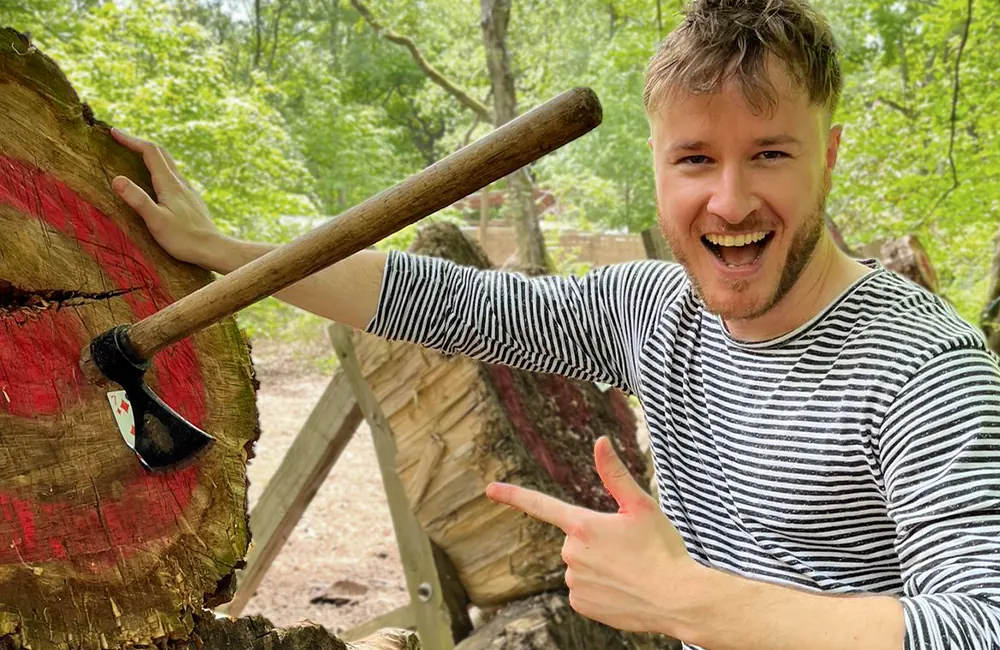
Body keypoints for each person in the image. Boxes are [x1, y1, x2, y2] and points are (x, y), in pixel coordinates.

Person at [108, 0, 1000, 647]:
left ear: (830, 155)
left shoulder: (928, 369)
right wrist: (224, 249)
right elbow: (441, 301)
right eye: (696, 158)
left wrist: (681, 600)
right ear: (657, 165)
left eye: (770, 152)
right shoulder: (656, 311)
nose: (730, 199)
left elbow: (978, 626)